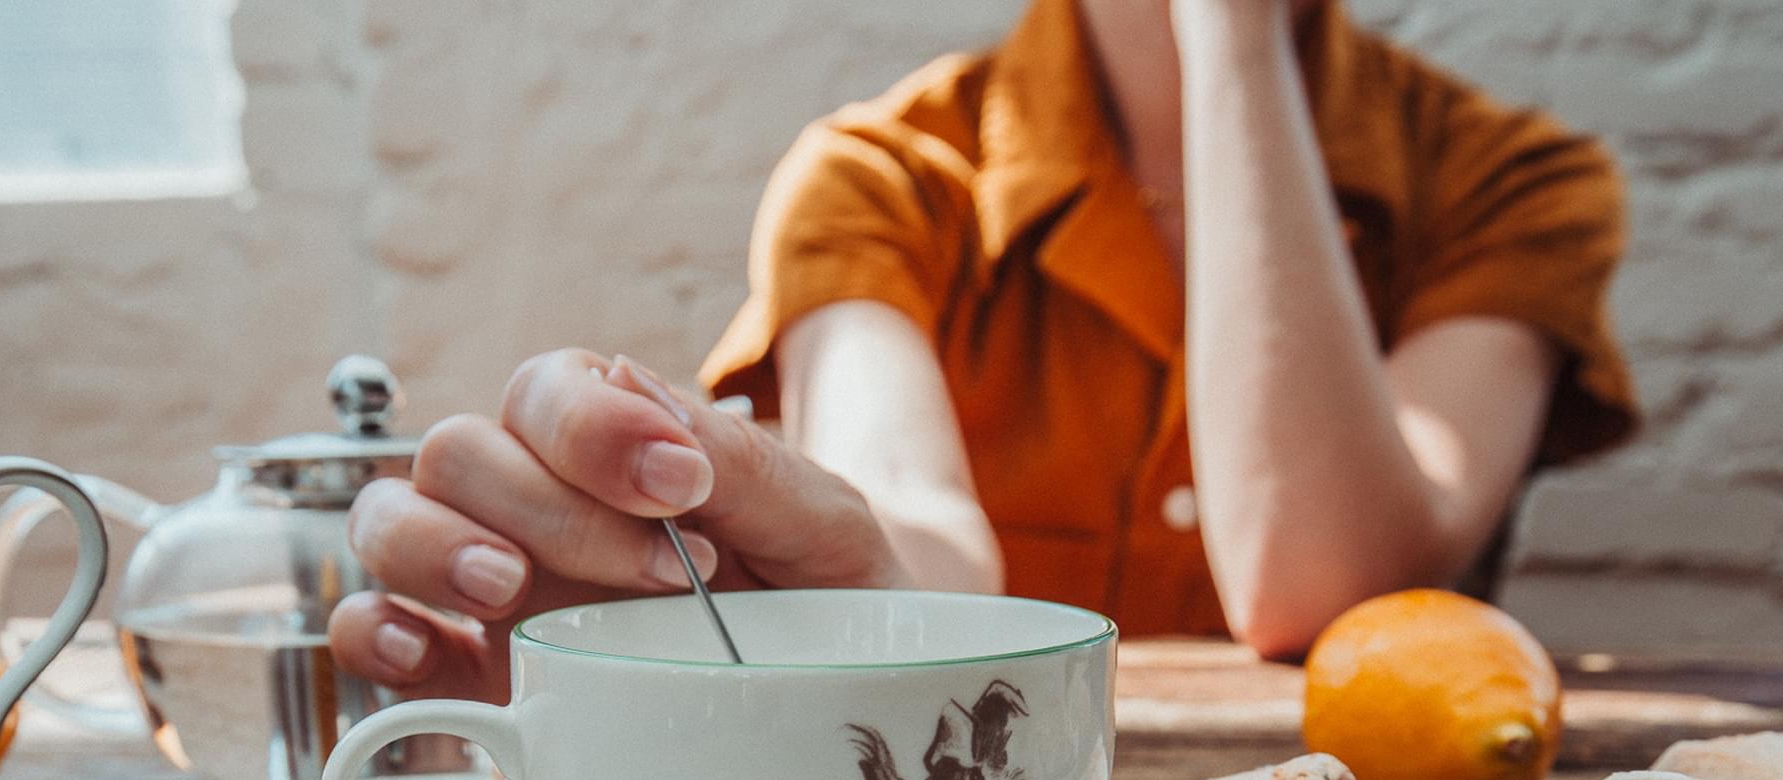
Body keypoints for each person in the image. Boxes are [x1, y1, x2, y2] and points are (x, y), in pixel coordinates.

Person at [330, 0, 1636, 699]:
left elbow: (1316, 589)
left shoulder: (1517, 181)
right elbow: (909, 540)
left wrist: (1231, 35)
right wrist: (812, 580)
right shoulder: (882, 178)